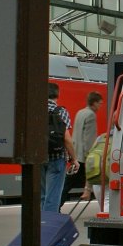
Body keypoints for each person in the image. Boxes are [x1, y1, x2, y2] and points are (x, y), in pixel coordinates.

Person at [42, 82, 78, 213]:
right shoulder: (61, 112)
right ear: (57, 95)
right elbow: (67, 139)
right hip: (57, 158)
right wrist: (74, 159)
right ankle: (48, 226)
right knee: (52, 197)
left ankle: (38, 225)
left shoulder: (35, 110)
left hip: (39, 159)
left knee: (41, 196)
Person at [66, 91, 103, 203]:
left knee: (69, 182)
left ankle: (56, 205)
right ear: (94, 103)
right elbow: (89, 139)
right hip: (84, 156)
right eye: (100, 103)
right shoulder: (91, 115)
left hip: (76, 153)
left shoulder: (80, 112)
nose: (100, 106)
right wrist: (90, 155)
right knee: (94, 177)